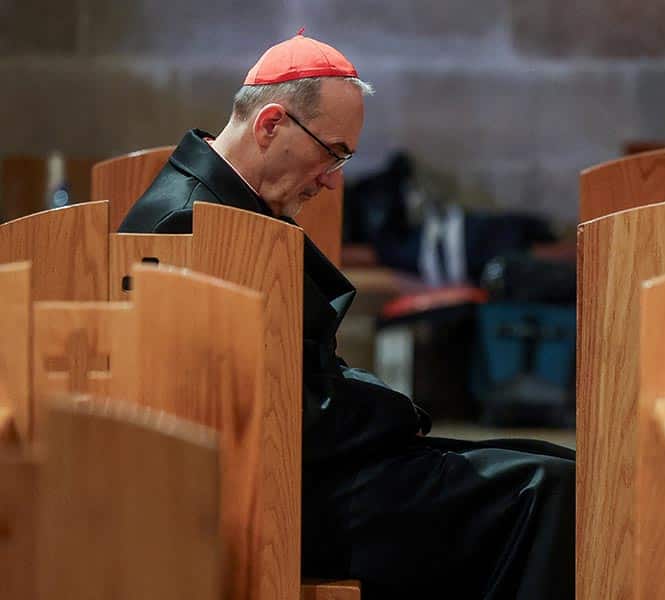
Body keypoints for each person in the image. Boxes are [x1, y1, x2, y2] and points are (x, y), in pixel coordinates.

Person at [119, 32, 574, 600]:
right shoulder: (188, 224)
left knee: (549, 464)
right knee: (546, 491)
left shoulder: (228, 202)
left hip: (300, 468)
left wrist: (380, 409)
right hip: (260, 498)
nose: (334, 179)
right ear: (270, 125)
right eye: (332, 152)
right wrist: (391, 410)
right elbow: (247, 405)